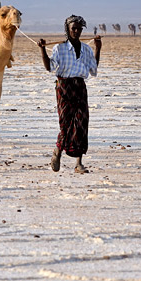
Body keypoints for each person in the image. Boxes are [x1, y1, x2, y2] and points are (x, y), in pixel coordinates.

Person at [38, 15, 102, 174]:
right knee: (66, 123)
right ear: (67, 29)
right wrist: (42, 50)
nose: (76, 31)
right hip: (64, 87)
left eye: (79, 29)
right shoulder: (59, 48)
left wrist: (98, 49)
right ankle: (58, 152)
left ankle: (79, 163)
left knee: (81, 123)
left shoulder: (87, 49)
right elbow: (49, 67)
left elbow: (93, 69)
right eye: (73, 28)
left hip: (80, 87)